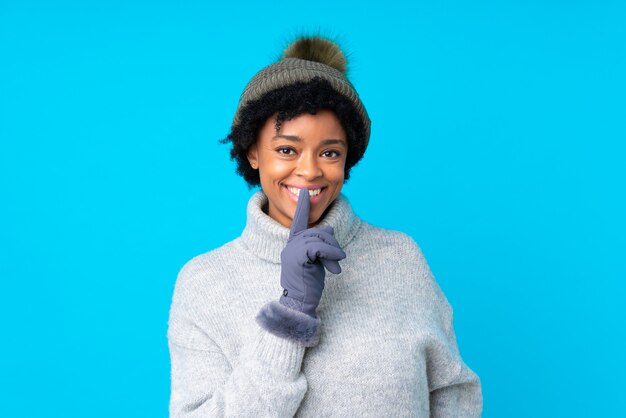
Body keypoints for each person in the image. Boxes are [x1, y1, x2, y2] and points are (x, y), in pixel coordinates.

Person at [167, 35, 483, 417]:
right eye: (287, 149)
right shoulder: (205, 282)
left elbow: (453, 392)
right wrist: (290, 316)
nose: (310, 170)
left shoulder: (400, 258)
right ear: (253, 152)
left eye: (329, 152)